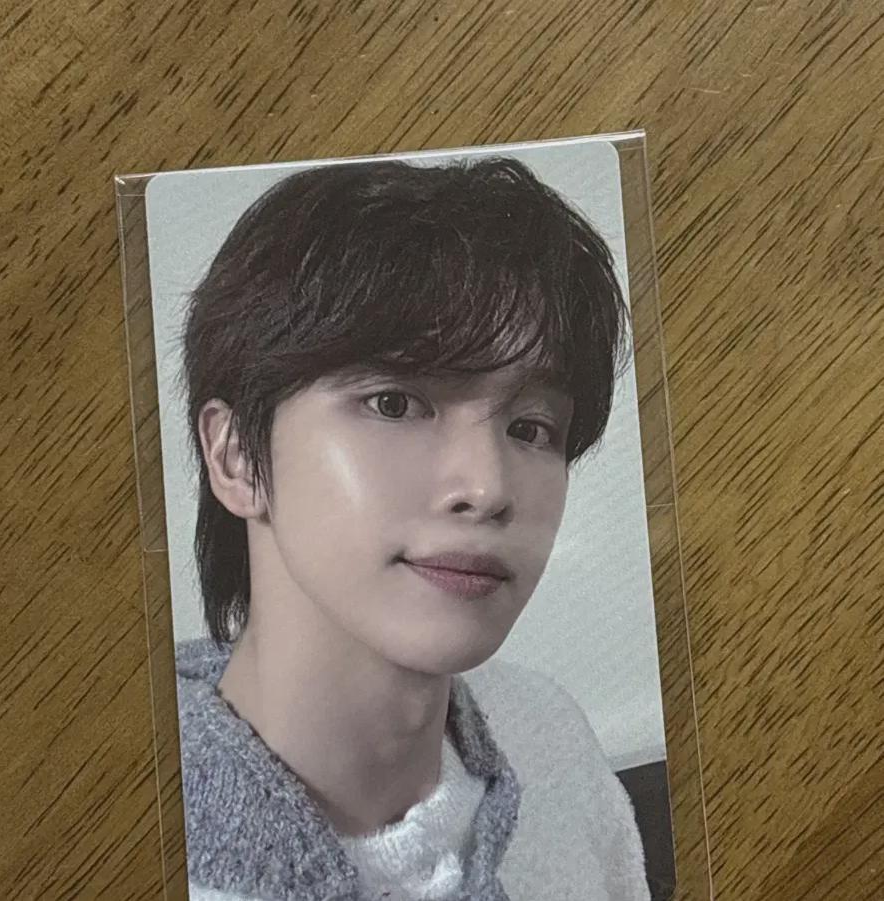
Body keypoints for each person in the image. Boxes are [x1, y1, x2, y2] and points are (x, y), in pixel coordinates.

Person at [173, 156, 650, 900]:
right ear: (235, 456)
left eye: (530, 427)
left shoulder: (546, 735)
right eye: (394, 403)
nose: (487, 489)